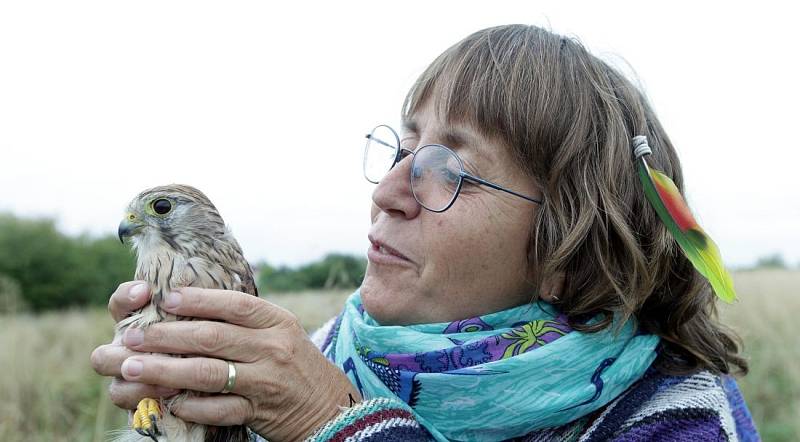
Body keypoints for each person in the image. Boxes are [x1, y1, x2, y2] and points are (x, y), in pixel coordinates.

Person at [91, 24, 759, 441]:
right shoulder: (316, 353)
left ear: (568, 247)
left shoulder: (676, 418)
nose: (386, 193)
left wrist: (332, 421)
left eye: (450, 169)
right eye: (400, 151)